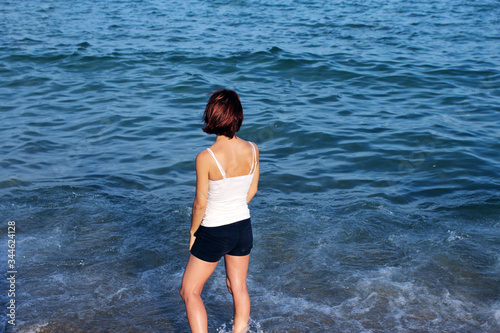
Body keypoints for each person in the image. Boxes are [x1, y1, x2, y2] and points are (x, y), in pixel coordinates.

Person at [180, 89, 260, 333]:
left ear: (212, 117)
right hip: (243, 227)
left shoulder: (206, 157)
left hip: (215, 229)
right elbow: (252, 190)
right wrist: (234, 208)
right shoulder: (253, 149)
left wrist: (194, 232)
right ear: (237, 116)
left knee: (189, 291)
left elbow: (200, 203)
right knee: (238, 287)